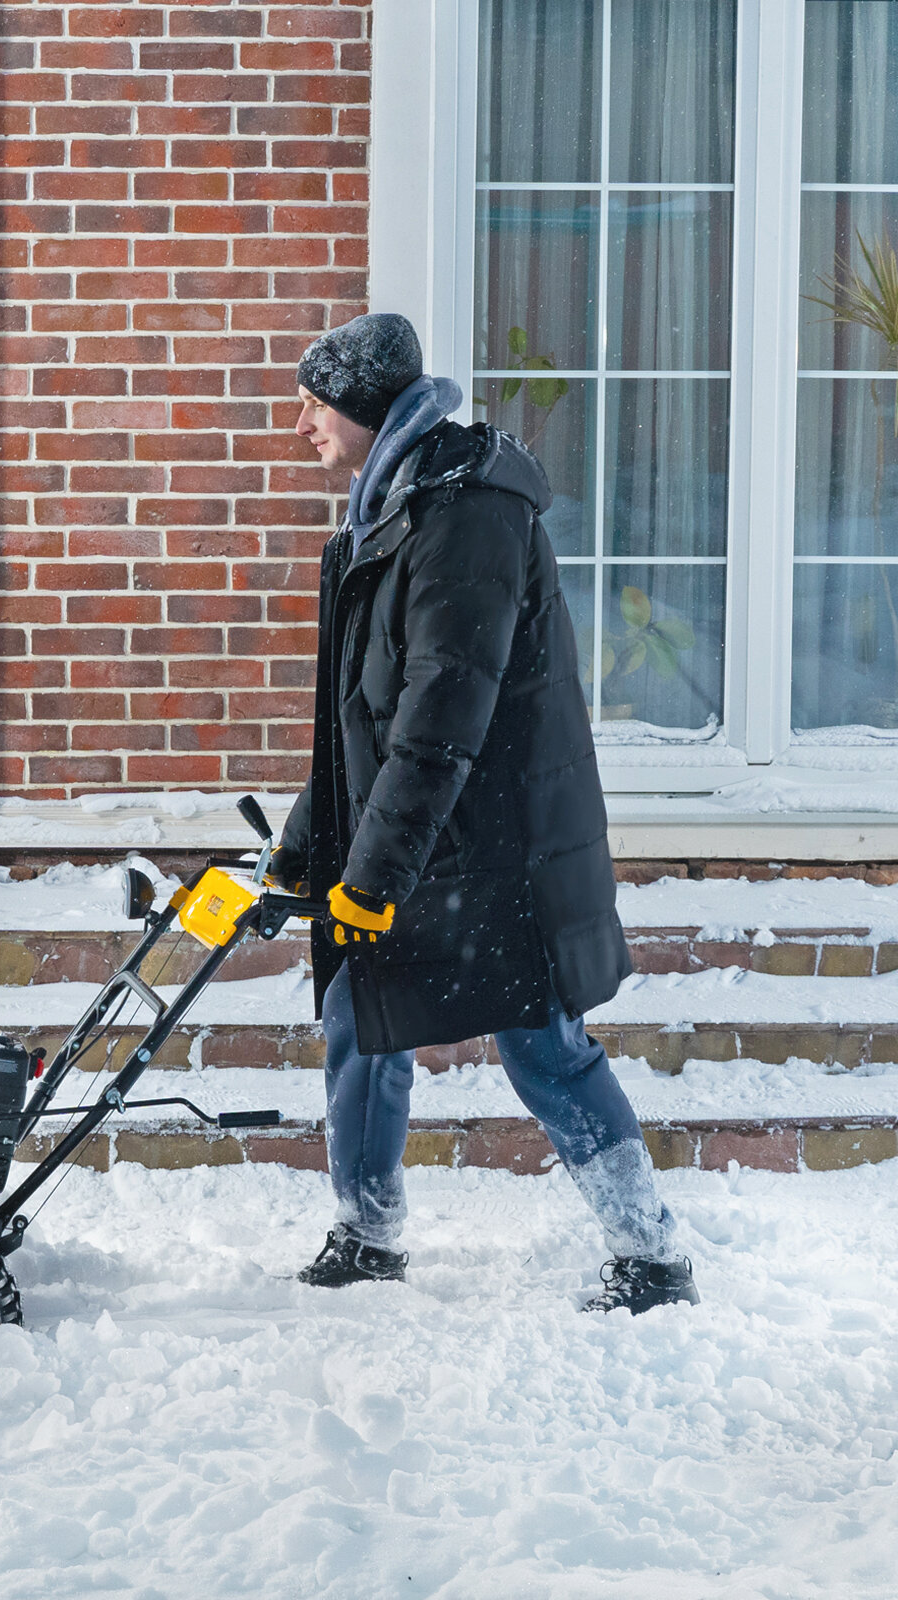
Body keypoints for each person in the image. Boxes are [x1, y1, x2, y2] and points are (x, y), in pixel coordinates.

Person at [273, 311, 698, 1315]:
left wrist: (372, 874)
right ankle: (367, 1231)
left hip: (497, 842)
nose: (300, 428)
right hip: (422, 828)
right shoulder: (389, 507)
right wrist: (308, 845)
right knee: (357, 1018)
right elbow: (363, 716)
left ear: (368, 413)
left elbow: (440, 713)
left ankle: (651, 1253)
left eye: (313, 407)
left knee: (541, 1041)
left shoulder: (464, 515)